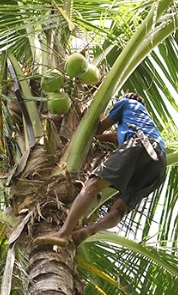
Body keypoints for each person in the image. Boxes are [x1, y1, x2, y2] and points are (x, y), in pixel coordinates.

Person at [35, 92, 167, 247]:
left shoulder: (126, 103)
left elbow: (98, 129)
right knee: (120, 209)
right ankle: (91, 229)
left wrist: (86, 120)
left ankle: (63, 233)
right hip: (159, 165)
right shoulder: (143, 122)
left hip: (139, 145)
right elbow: (111, 136)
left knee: (92, 185)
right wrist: (99, 137)